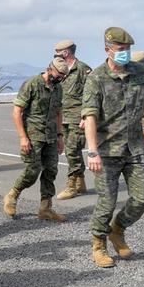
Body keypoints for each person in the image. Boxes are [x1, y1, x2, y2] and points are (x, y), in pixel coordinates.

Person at [82, 27, 144, 268]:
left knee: (143, 198)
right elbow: (90, 116)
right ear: (107, 50)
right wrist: (93, 150)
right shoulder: (96, 78)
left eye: (127, 49)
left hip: (136, 147)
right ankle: (98, 245)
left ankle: (117, 229)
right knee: (106, 202)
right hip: (107, 151)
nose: (125, 53)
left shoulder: (140, 72)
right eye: (120, 49)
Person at [3, 57, 69, 222]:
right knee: (32, 170)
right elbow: (17, 111)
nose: (60, 78)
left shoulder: (58, 88)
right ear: (50, 69)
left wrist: (60, 136)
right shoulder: (32, 84)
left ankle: (45, 208)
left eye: (63, 76)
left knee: (51, 171)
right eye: (59, 74)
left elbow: (58, 112)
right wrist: (23, 137)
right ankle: (12, 195)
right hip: (33, 136)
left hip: (51, 136)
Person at [54, 40, 94, 200]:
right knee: (73, 151)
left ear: (66, 52)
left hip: (78, 117)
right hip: (62, 117)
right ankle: (81, 182)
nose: (55, 53)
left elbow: (91, 95)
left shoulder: (84, 69)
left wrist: (86, 116)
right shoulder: (58, 68)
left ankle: (71, 186)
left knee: (71, 150)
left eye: (57, 51)